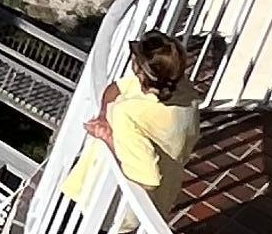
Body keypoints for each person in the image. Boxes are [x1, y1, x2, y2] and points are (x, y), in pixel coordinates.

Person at [64, 30, 199, 208]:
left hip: (108, 203)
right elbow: (117, 87)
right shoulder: (181, 89)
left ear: (141, 71)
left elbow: (147, 178)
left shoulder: (127, 114)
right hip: (157, 197)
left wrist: (108, 138)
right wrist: (104, 115)